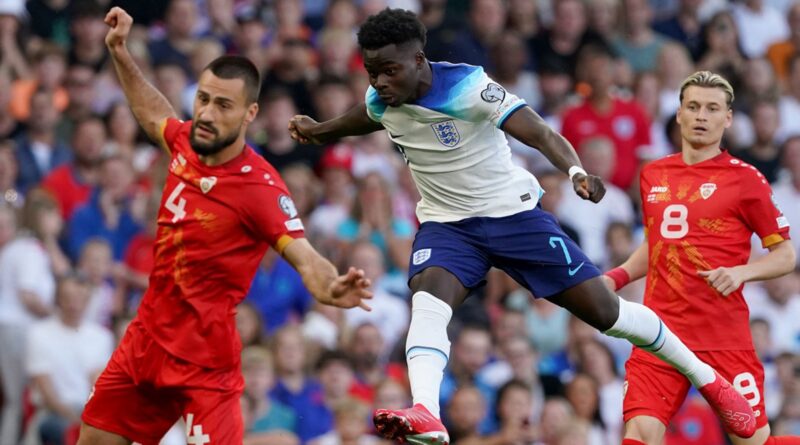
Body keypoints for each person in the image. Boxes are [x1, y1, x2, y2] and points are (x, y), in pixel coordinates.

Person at [288, 8, 758, 445]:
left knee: (608, 314)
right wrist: (317, 130)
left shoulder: (468, 87)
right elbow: (364, 117)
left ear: (418, 59)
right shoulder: (382, 99)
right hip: (449, 226)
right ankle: (427, 413)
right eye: (372, 72)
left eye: (390, 71)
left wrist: (575, 172)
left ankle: (707, 379)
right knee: (428, 302)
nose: (380, 83)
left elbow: (538, 131)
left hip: (513, 217)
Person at [76, 8, 372, 445]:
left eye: (223, 104)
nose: (208, 114)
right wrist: (120, 52)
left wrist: (329, 287)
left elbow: (304, 254)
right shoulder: (186, 142)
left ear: (250, 113)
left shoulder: (261, 188)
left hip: (205, 366)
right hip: (144, 344)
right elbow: (152, 112)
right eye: (203, 99)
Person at [603, 71, 798, 445]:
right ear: (679, 114)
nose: (701, 116)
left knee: (754, 443)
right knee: (639, 435)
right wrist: (617, 277)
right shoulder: (653, 174)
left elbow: (785, 255)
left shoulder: (746, 180)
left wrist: (742, 272)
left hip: (723, 335)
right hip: (659, 332)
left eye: (712, 108)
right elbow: (658, 244)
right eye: (693, 107)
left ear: (727, 118)